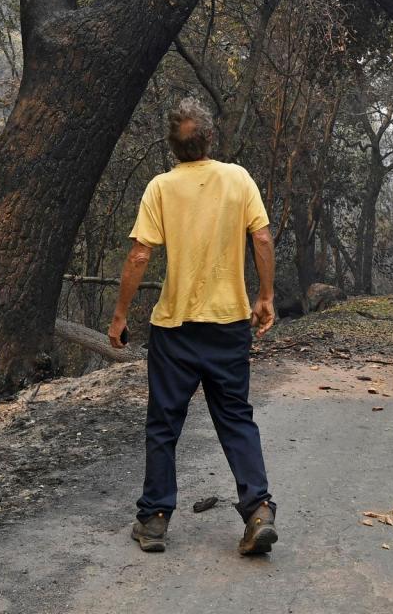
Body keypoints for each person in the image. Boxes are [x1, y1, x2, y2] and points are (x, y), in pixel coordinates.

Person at [108, 96, 278, 556]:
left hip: (176, 328)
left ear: (172, 145)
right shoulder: (237, 179)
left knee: (164, 423)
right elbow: (261, 237)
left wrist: (121, 315)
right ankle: (258, 510)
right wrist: (264, 297)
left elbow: (140, 254)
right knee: (235, 417)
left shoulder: (161, 188)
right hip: (227, 326)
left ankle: (155, 520)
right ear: (209, 138)